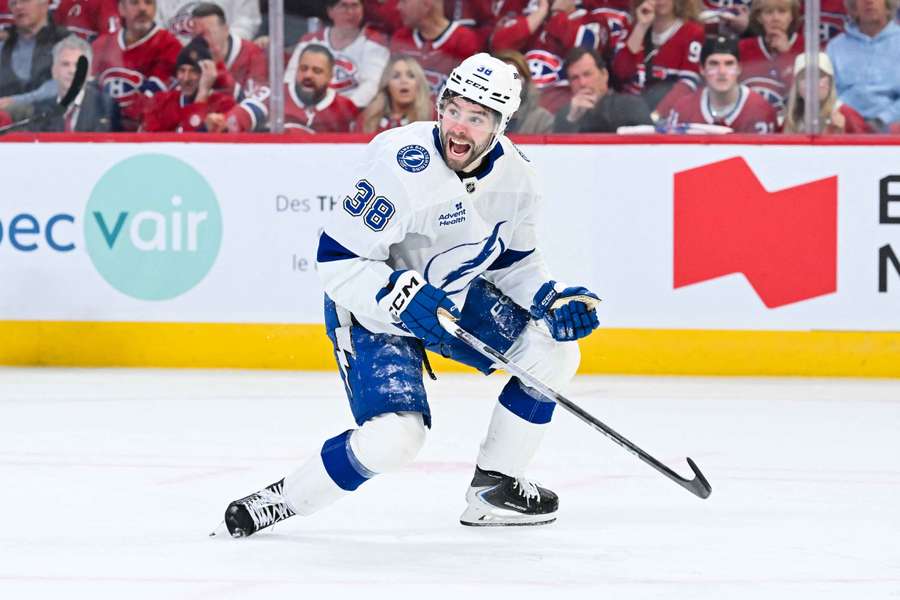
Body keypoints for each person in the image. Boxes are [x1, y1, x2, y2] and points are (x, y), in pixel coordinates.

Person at [218, 53, 602, 537]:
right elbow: (337, 262)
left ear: (501, 125)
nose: (459, 128)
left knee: (554, 352)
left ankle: (494, 488)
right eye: (453, 109)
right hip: (373, 309)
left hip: (451, 300)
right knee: (396, 439)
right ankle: (282, 499)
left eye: (477, 117)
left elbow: (513, 262)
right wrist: (394, 296)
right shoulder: (401, 164)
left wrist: (547, 297)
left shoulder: (520, 179)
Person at [491, 0, 630, 113]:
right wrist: (541, 12)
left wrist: (558, 13)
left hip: (564, 97)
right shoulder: (533, 17)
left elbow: (582, 51)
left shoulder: (592, 20)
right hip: (522, 97)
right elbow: (499, 46)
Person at [215, 42, 358, 132]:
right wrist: (224, 122)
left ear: (330, 76)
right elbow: (244, 114)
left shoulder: (345, 109)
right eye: (303, 68)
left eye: (317, 71)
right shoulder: (274, 94)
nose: (308, 75)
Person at [91, 0, 183, 130]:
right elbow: (89, 95)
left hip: (148, 135)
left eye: (148, 3)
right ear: (121, 9)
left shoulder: (170, 46)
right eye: (135, 3)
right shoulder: (101, 45)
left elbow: (156, 100)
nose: (142, 8)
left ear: (155, 8)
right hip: (103, 132)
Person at [658, 34, 777, 133]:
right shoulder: (683, 108)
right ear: (702, 69)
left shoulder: (760, 110)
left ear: (739, 68)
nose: (722, 71)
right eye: (714, 64)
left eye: (729, 63)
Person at [284, 0, 389, 110]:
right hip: (306, 108)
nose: (350, 12)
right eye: (343, 5)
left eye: (355, 6)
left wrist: (341, 111)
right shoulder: (310, 41)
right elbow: (290, 79)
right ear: (330, 11)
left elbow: (370, 86)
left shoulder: (374, 44)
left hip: (348, 114)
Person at [611, 0, 705, 110]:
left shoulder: (693, 33)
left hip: (667, 112)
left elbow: (688, 84)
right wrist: (641, 27)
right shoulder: (631, 28)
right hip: (628, 108)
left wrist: (657, 114)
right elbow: (621, 73)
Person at [826, 0, 900, 132]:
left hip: (892, 133)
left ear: (888, 5)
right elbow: (826, 94)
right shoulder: (835, 47)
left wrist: (882, 120)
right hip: (844, 130)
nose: (869, 1)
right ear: (854, 7)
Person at [141, 36, 235, 131]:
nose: (186, 78)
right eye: (182, 70)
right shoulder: (161, 102)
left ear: (206, 73)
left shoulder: (224, 105)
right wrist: (203, 128)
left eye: (193, 71)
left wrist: (203, 92)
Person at [389, 0, 480, 97]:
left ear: (426, 4)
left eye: (404, 2)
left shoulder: (464, 40)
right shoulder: (400, 38)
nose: (398, 7)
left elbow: (467, 98)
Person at [30, 34, 120, 131]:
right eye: (65, 64)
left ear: (89, 72)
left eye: (79, 65)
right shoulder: (41, 110)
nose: (72, 71)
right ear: (54, 71)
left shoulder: (105, 105)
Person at [553, 46, 652, 132]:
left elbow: (648, 146)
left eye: (587, 74)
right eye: (575, 78)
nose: (582, 83)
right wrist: (572, 119)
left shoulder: (631, 106)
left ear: (604, 75)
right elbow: (556, 151)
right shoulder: (565, 115)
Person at [0, 0, 70, 111]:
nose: (18, 6)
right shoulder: (3, 47)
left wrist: (16, 101)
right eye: (13, 3)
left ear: (45, 4)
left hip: (49, 120)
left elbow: (64, 83)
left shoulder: (66, 43)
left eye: (25, 1)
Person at [738, 0, 803, 117]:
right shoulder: (743, 48)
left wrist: (786, 55)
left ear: (792, 16)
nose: (775, 18)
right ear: (759, 17)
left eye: (782, 12)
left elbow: (806, 96)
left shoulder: (806, 48)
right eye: (768, 12)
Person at [191, 2, 267, 99]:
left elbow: (258, 104)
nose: (202, 40)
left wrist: (223, 80)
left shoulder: (254, 56)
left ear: (226, 30)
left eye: (208, 33)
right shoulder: (190, 60)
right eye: (197, 35)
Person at [782, 51, 870, 134]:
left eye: (819, 75)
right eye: (804, 76)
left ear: (830, 82)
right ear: (797, 85)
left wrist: (842, 134)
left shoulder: (846, 114)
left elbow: (871, 147)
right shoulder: (792, 118)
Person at [357, 54, 432, 133]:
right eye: (396, 76)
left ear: (419, 83)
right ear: (386, 84)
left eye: (411, 76)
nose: (404, 81)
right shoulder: (368, 118)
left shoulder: (432, 116)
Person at [493, 48, 554, 134]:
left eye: (515, 76)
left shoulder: (541, 119)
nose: (509, 82)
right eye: (503, 76)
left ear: (526, 80)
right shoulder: (479, 116)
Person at [156, 0, 260, 42]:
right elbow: (155, 26)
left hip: (225, 61)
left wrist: (222, 46)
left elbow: (247, 23)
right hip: (176, 64)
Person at [53, 0, 120, 41]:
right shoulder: (65, 2)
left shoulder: (105, 2)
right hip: (65, 53)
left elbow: (110, 40)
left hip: (91, 56)